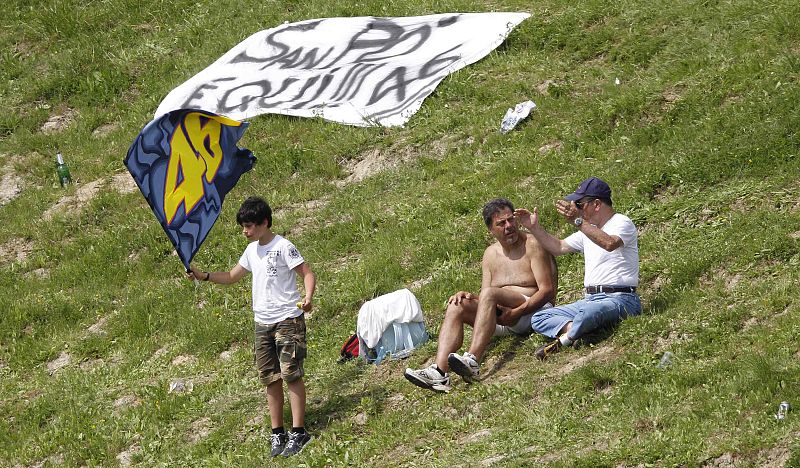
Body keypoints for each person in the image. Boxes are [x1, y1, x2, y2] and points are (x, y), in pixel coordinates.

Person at [187, 196, 316, 457]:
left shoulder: (283, 246)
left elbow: (307, 272)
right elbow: (233, 277)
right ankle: (277, 433)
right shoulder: (251, 251)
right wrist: (205, 276)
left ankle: (299, 432)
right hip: (262, 323)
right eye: (243, 227)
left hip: (288, 319)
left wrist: (308, 298)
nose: (245, 232)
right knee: (270, 378)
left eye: (249, 226)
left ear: (264, 222)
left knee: (291, 373)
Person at [404, 198, 556, 392]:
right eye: (501, 223)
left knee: (489, 293)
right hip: (504, 317)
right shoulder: (490, 254)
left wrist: (516, 313)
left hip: (533, 312)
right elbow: (486, 297)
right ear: (491, 230)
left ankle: (473, 360)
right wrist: (470, 297)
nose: (509, 226)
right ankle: (440, 373)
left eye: (511, 220)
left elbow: (547, 290)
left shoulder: (532, 244)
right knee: (457, 304)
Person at [515, 176, 641, 360]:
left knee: (591, 312)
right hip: (591, 299)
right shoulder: (588, 230)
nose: (576, 209)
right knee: (539, 317)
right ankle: (579, 331)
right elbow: (558, 247)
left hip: (620, 298)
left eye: (580, 204)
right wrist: (534, 228)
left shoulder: (621, 222)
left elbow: (609, 243)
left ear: (596, 204)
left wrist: (579, 222)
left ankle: (563, 341)